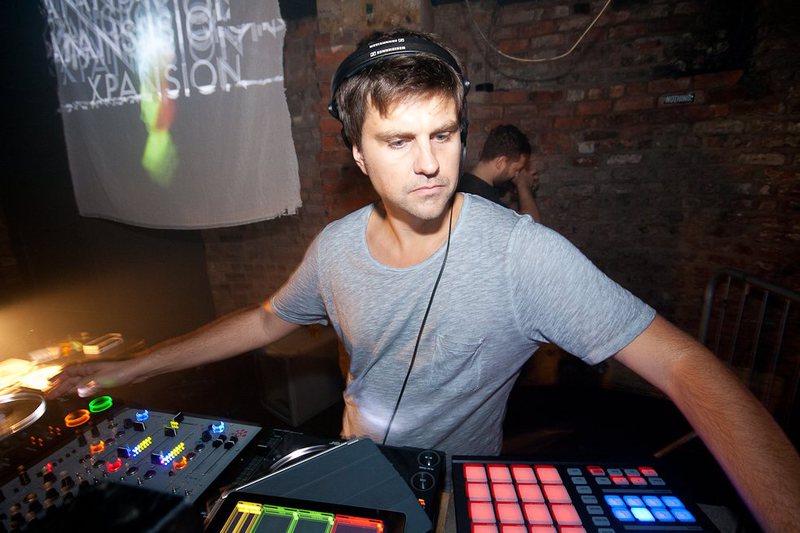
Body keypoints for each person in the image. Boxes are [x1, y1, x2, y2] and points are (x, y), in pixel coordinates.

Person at [48, 28, 799, 531]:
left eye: (444, 134)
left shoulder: (523, 255)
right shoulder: (335, 248)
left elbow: (684, 364)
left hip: (457, 494)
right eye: (399, 140)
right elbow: (266, 319)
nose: (432, 163)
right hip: (348, 464)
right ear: (357, 154)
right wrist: (128, 367)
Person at [458, 124, 542, 222]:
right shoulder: (484, 200)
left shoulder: (465, 183)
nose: (516, 175)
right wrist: (523, 185)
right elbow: (532, 226)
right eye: (516, 169)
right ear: (500, 162)